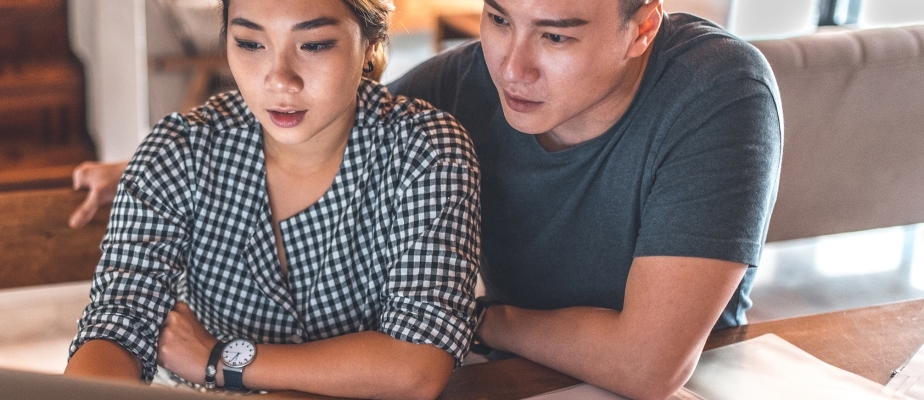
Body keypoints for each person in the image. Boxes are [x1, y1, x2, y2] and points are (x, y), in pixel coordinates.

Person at [68, 0, 782, 398]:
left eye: (555, 35)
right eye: (499, 19)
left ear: (642, 28)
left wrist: (472, 321)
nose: (513, 65)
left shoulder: (716, 89)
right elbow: (314, 123)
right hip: (505, 376)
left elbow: (648, 366)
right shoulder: (467, 85)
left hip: (685, 381)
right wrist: (148, 169)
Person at [62, 0, 481, 399]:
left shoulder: (425, 150)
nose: (280, 79)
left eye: (313, 45)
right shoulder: (179, 151)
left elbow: (417, 367)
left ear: (371, 43)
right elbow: (118, 325)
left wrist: (219, 359)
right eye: (250, 44)